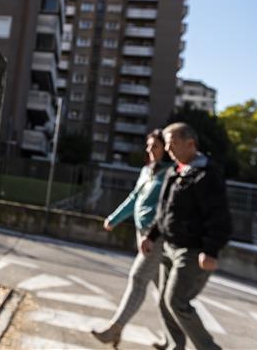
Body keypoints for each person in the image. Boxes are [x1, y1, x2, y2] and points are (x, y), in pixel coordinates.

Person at [141, 122, 232, 350]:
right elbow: (164, 210)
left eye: (172, 143)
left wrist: (210, 250)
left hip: (192, 251)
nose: (168, 149)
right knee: (164, 300)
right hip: (169, 246)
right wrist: (151, 235)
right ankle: (175, 345)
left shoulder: (207, 175)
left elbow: (219, 217)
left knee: (177, 301)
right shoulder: (175, 171)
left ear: (190, 144)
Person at [91, 130, 172, 348]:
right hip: (142, 233)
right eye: (148, 146)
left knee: (137, 279)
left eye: (155, 146)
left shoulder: (170, 173)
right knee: (162, 292)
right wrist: (114, 218)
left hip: (157, 236)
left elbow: (167, 208)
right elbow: (134, 198)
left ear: (166, 148)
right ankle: (171, 339)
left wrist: (152, 234)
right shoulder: (146, 171)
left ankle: (114, 329)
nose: (150, 150)